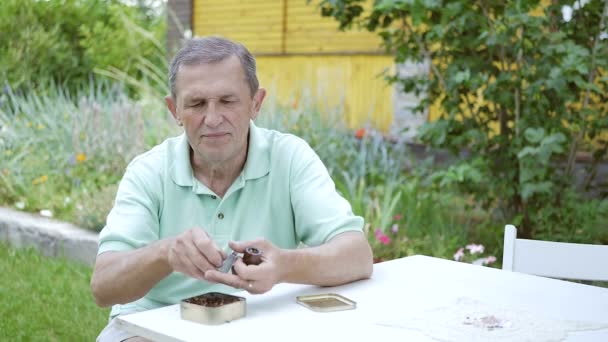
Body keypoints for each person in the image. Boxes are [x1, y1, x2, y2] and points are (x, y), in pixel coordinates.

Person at [91, 36, 373, 341]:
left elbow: (357, 256)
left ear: (256, 103)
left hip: (263, 320)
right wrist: (164, 253)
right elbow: (104, 287)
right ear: (174, 110)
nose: (212, 119)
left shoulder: (290, 157)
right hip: (150, 325)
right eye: (197, 104)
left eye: (228, 101)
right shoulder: (149, 170)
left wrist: (284, 265)